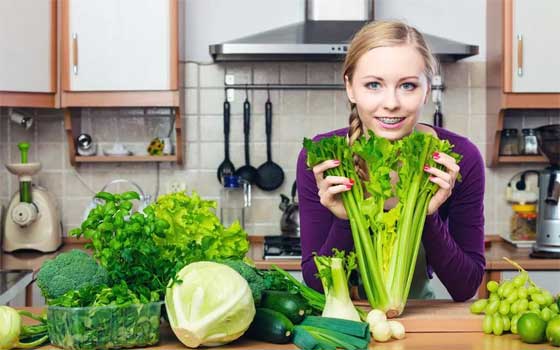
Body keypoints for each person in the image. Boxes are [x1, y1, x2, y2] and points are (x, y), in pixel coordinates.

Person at [296, 20, 485, 301]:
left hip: (421, 327)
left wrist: (428, 215)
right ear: (350, 88)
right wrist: (346, 219)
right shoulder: (324, 158)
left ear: (427, 90)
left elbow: (465, 286)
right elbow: (316, 286)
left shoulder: (459, 158)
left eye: (407, 85)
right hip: (346, 324)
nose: (391, 103)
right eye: (374, 84)